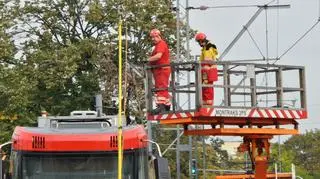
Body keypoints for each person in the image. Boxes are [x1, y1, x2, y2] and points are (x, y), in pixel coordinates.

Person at [149, 28, 171, 114]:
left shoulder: (161, 44)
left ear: (158, 36)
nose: (153, 39)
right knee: (162, 88)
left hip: (162, 69)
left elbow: (158, 56)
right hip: (159, 70)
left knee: (161, 88)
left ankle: (161, 106)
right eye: (152, 37)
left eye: (154, 37)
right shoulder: (158, 45)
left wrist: (148, 60)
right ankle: (166, 105)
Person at [195, 32, 218, 105]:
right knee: (207, 86)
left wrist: (199, 63)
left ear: (202, 41)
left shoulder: (208, 48)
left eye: (199, 42)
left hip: (207, 70)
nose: (199, 44)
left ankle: (207, 101)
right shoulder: (208, 47)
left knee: (206, 86)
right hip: (208, 70)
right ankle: (207, 101)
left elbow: (207, 59)